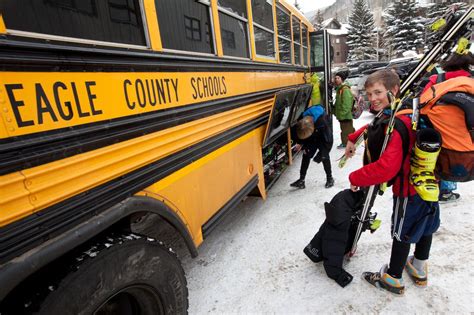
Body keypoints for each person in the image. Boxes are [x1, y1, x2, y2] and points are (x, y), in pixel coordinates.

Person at [344, 69, 440, 295]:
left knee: (402, 233)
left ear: (394, 90)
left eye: (377, 92)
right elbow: (376, 125)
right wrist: (352, 138)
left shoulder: (398, 122)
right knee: (426, 228)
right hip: (430, 183)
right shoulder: (410, 109)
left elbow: (387, 168)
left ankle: (393, 278)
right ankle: (418, 268)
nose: (372, 98)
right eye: (369, 94)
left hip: (409, 189)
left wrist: (355, 176)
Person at [422, 50, 473, 203]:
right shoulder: (470, 82)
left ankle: (435, 190)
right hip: (466, 144)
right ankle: (446, 191)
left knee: (437, 164)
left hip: (435, 138)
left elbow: (422, 104)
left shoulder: (436, 80)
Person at [290, 104, 334, 189]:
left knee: (325, 157)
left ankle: (330, 178)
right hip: (312, 137)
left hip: (323, 137)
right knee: (306, 154)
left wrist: (321, 155)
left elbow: (328, 142)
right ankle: (301, 180)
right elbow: (301, 133)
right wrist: (300, 143)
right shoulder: (302, 120)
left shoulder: (323, 123)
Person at [334, 71, 355, 149]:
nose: (336, 79)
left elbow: (347, 104)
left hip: (345, 115)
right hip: (343, 115)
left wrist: (342, 114)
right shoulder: (340, 89)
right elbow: (338, 103)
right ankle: (352, 140)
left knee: (346, 131)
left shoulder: (344, 89)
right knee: (348, 129)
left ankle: (346, 143)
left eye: (338, 78)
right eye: (335, 78)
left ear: (342, 79)